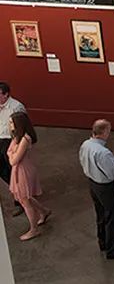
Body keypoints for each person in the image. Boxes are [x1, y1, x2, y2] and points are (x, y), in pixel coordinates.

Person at [78, 119, 114, 259]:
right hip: (105, 187)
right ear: (105, 132)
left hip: (93, 184)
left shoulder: (85, 145)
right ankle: (112, 249)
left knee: (100, 214)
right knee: (112, 217)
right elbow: (112, 173)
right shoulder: (103, 152)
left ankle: (102, 241)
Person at [7, 112, 50, 241]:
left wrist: (11, 154)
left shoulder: (25, 139)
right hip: (20, 169)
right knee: (25, 198)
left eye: (11, 123)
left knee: (25, 200)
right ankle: (43, 211)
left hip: (23, 171)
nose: (9, 126)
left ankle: (34, 229)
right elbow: (10, 153)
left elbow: (13, 160)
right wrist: (12, 154)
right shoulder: (17, 138)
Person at [0, 82, 25, 216]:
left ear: (6, 94)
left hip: (10, 141)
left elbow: (21, 127)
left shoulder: (16, 107)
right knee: (4, 171)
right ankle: (16, 190)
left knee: (14, 171)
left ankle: (20, 200)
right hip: (0, 138)